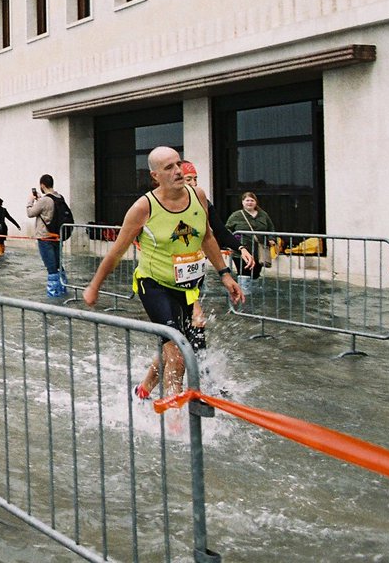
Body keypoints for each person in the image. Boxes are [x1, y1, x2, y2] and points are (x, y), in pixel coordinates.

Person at [82, 147, 244, 399]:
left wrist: (224, 274)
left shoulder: (198, 196)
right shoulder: (143, 208)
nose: (178, 171)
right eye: (169, 167)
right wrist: (94, 286)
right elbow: (116, 251)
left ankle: (144, 389)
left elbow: (208, 237)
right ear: (155, 175)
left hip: (187, 289)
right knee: (178, 354)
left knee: (172, 346)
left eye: (178, 164)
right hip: (153, 286)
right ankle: (175, 421)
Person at [181, 161, 254, 350]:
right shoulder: (161, 203)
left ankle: (195, 371)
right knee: (196, 321)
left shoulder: (202, 201)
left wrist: (241, 248)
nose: (193, 183)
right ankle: (202, 373)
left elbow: (218, 231)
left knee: (182, 333)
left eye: (195, 179)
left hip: (190, 271)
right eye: (189, 179)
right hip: (166, 274)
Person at [26, 175, 71, 298]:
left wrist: (30, 200)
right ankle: (63, 290)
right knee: (58, 265)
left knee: (51, 268)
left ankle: (53, 297)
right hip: (57, 236)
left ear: (42, 185)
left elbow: (30, 213)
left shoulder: (45, 200)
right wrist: (40, 200)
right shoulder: (59, 197)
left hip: (45, 238)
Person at [225, 191, 275, 296]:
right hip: (241, 251)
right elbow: (227, 230)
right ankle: (243, 294)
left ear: (256, 202)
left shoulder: (263, 215)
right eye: (247, 200)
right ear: (242, 202)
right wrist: (233, 241)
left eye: (252, 200)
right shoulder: (236, 215)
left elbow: (271, 228)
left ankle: (254, 295)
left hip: (259, 251)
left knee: (256, 273)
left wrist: (271, 239)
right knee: (244, 273)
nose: (249, 203)